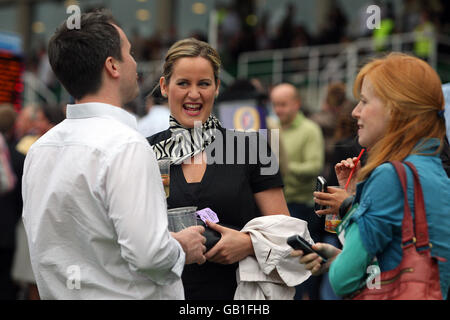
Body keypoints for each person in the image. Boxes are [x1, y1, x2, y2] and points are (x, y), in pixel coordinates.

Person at [22, 10, 206, 300]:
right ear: (113, 66)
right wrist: (182, 247)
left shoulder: (39, 149)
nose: (135, 63)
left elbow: (80, 246)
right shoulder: (126, 146)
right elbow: (150, 257)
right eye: (129, 53)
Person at [295, 53, 450, 299]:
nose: (355, 112)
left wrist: (351, 206)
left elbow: (343, 280)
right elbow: (400, 261)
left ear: (396, 110)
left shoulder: (389, 176)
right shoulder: (437, 173)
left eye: (365, 102)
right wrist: (339, 257)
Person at [147, 38, 290, 300]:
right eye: (183, 83)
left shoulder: (252, 148)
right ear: (164, 87)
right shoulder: (143, 152)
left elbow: (287, 234)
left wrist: (247, 244)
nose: (194, 94)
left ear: (216, 88)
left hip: (240, 295)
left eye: (204, 83)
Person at [269, 83, 324, 300]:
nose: (278, 109)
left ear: (297, 104)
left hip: (301, 206)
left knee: (302, 263)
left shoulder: (310, 130)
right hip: (276, 204)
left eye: (283, 104)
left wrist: (284, 170)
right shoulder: (272, 127)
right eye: (275, 105)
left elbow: (314, 166)